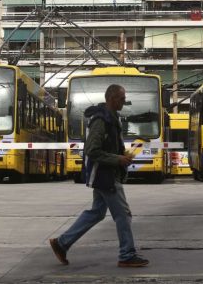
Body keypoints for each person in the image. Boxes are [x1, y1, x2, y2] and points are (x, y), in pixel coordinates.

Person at [49, 84, 149, 268]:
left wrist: (122, 154)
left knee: (96, 213)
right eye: (121, 98)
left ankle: (62, 243)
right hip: (105, 176)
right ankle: (127, 255)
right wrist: (117, 159)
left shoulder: (111, 118)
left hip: (106, 174)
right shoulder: (101, 120)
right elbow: (92, 150)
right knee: (123, 215)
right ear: (111, 99)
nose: (124, 101)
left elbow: (106, 147)